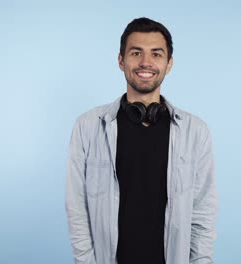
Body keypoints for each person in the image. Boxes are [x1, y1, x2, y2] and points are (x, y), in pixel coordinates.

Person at [65, 17, 218, 264]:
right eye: (136, 53)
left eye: (156, 54)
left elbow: (202, 215)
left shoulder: (195, 132)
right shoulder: (88, 126)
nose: (145, 62)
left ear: (169, 64)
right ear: (120, 60)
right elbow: (77, 210)